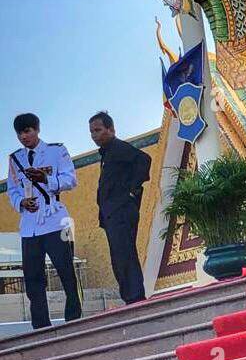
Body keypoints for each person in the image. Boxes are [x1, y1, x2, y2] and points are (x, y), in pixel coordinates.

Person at [6, 113, 82, 330]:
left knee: (66, 270)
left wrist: (46, 179)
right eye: (20, 133)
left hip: (55, 219)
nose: (24, 137)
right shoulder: (15, 159)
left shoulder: (56, 151)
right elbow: (12, 190)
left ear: (37, 129)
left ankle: (74, 319)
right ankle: (41, 325)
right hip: (29, 225)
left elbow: (71, 180)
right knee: (33, 277)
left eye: (28, 131)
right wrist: (21, 202)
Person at [89, 111, 151, 305]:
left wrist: (132, 192)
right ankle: (129, 296)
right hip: (111, 214)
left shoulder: (118, 147)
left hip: (122, 210)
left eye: (98, 130)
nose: (94, 135)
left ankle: (135, 296)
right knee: (118, 255)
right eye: (91, 132)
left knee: (124, 253)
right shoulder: (107, 153)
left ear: (111, 129)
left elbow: (144, 160)